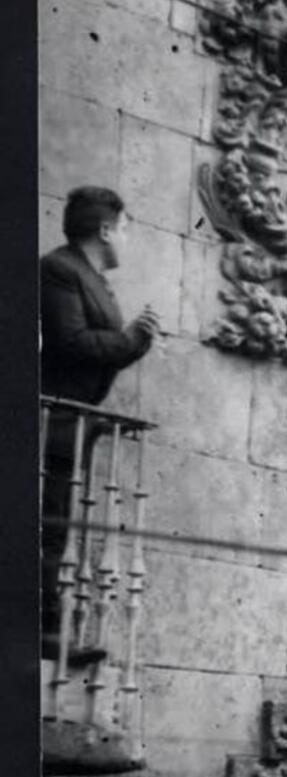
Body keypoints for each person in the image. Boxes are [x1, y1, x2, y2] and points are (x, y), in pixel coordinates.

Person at [41, 187, 161, 664]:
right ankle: (43, 629)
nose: (128, 238)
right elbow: (70, 342)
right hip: (52, 421)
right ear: (106, 229)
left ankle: (50, 628)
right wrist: (132, 337)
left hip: (74, 424)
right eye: (126, 227)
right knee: (47, 525)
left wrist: (137, 338)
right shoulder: (59, 269)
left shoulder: (89, 277)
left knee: (57, 527)